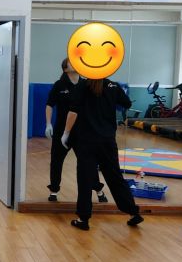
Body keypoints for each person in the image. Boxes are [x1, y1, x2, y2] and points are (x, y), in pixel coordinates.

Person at [61, 78, 143, 230]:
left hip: (86, 141)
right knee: (115, 177)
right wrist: (112, 99)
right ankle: (133, 212)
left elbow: (73, 111)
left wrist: (66, 133)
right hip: (107, 141)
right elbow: (127, 103)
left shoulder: (82, 85)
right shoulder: (113, 86)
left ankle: (83, 219)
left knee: (85, 180)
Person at [45, 58, 107, 203]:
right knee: (56, 160)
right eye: (71, 62)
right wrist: (48, 124)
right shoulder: (59, 85)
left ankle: (99, 191)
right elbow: (49, 105)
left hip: (82, 131)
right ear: (65, 69)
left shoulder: (86, 85)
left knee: (88, 162)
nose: (76, 64)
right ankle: (54, 190)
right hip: (61, 131)